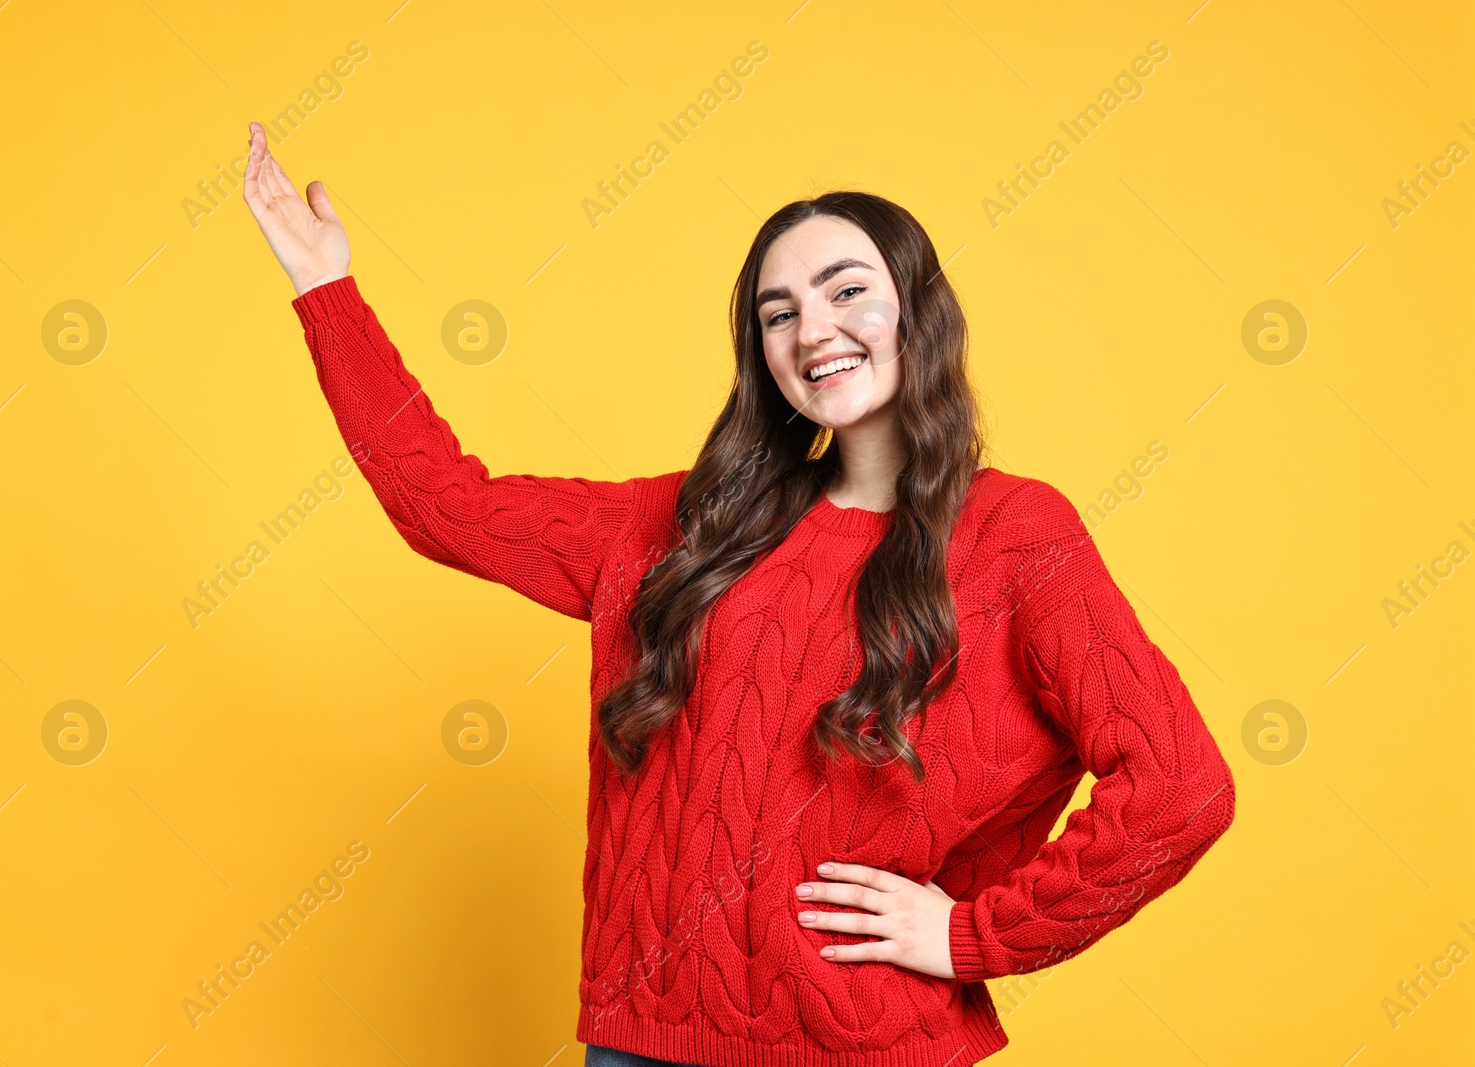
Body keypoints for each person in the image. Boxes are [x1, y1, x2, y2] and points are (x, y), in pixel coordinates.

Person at [241, 119, 1236, 1067]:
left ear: (918, 310)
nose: (814, 330)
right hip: (637, 1040)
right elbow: (443, 504)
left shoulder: (1015, 533)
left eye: (848, 291)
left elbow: (1179, 788)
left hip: (860, 1046)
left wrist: (972, 933)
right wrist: (325, 287)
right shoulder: (684, 525)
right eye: (779, 312)